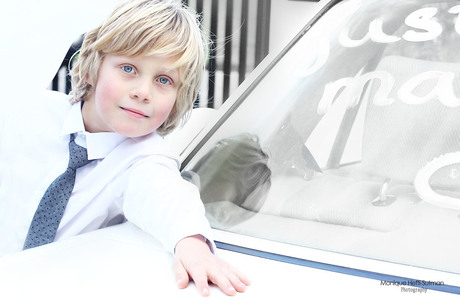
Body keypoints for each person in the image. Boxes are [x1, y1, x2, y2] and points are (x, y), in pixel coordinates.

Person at [0, 0, 249, 297]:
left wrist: (191, 241)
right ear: (91, 68)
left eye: (164, 80)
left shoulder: (144, 158)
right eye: (129, 68)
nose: (143, 92)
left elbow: (165, 194)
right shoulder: (26, 114)